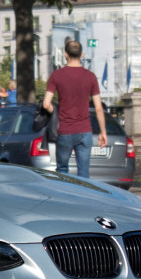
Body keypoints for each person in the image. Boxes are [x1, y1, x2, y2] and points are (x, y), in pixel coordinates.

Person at [42, 39, 107, 179]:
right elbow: (99, 108)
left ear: (66, 54)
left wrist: (56, 111)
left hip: (65, 130)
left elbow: (46, 104)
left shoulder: (56, 76)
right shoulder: (90, 77)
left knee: (62, 170)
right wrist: (103, 132)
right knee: (84, 173)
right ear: (82, 54)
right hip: (85, 130)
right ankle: (83, 200)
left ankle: (65, 199)